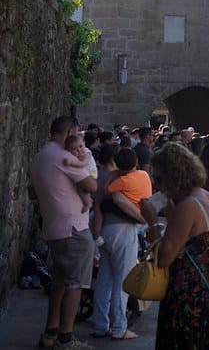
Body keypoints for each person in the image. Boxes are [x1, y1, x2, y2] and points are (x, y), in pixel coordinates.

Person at [30, 116, 98, 350]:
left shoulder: (39, 157)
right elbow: (92, 186)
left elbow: (32, 192)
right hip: (74, 228)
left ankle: (51, 332)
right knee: (74, 284)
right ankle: (66, 338)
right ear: (70, 133)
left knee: (59, 283)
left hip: (53, 227)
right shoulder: (64, 157)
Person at [152, 142, 209, 350]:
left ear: (172, 175)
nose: (157, 184)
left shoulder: (188, 205)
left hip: (186, 294)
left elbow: (164, 257)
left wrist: (151, 221)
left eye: (158, 178)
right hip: (207, 288)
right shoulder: (206, 197)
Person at [91, 147, 150, 340]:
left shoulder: (110, 179)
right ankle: (119, 327)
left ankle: (100, 325)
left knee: (104, 279)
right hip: (125, 230)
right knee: (122, 281)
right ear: (135, 163)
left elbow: (106, 191)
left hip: (105, 229)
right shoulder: (143, 176)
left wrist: (113, 174)